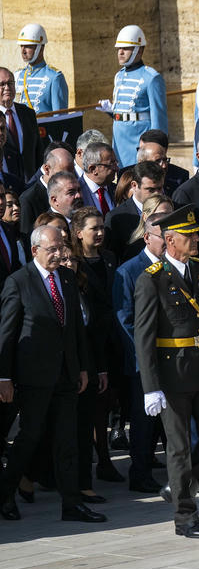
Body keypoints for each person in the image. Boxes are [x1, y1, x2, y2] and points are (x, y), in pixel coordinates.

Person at [133, 205, 199, 539]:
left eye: (197, 234)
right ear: (170, 240)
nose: (197, 239)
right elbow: (143, 336)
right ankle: (185, 516)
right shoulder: (153, 279)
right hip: (171, 373)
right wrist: (150, 386)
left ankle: (181, 485)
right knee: (178, 448)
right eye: (189, 236)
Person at [0, 223, 103, 524]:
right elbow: (6, 334)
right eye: (52, 249)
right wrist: (3, 377)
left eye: (62, 247)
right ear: (35, 250)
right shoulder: (19, 281)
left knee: (67, 441)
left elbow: (75, 331)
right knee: (29, 438)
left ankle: (71, 504)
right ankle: (5, 493)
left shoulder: (68, 279)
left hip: (67, 375)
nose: (59, 254)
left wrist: (83, 367)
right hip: (33, 377)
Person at [112, 196, 172, 495]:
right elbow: (125, 320)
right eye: (164, 238)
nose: (169, 243)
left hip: (174, 355)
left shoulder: (175, 266)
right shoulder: (129, 271)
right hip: (143, 360)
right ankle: (140, 472)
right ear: (147, 237)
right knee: (143, 420)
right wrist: (145, 353)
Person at [68, 207, 122, 494]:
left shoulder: (110, 259)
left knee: (109, 401)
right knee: (93, 407)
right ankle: (98, 459)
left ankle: (104, 457)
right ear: (78, 233)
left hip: (112, 341)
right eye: (93, 228)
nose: (100, 232)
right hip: (90, 343)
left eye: (102, 227)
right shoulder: (74, 264)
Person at [106, 26, 168, 168]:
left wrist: (157, 147)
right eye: (118, 48)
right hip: (120, 139)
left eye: (126, 48)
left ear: (139, 50)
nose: (120, 52)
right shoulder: (119, 75)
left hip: (139, 139)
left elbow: (159, 118)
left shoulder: (151, 77)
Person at [106, 160, 165, 260]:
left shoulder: (170, 209)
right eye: (150, 190)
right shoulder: (116, 218)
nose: (157, 194)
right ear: (134, 185)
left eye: (159, 189)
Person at [14, 24, 68, 114]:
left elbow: (59, 117)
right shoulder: (18, 75)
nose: (23, 51)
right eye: (21, 46)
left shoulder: (54, 77)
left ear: (40, 48)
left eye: (28, 46)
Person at [77, 142, 118, 216]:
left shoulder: (116, 189)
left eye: (116, 163)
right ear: (93, 169)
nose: (116, 169)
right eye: (111, 164)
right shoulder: (77, 193)